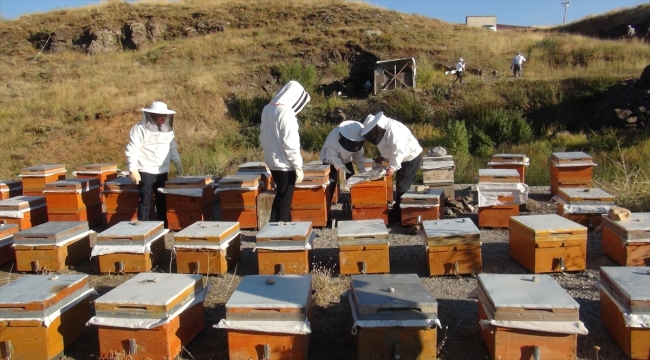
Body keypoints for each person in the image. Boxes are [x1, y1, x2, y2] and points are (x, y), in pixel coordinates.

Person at [260, 80, 310, 222]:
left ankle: (275, 230)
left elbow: (262, 136)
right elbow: (291, 143)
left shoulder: (267, 108)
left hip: (272, 163)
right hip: (285, 165)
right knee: (284, 202)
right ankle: (279, 233)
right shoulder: (285, 112)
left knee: (280, 197)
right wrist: (297, 166)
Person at [125, 101, 182, 224]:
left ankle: (163, 225)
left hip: (162, 170)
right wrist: (133, 169)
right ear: (152, 115)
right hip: (146, 170)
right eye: (160, 115)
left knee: (162, 198)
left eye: (165, 115)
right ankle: (143, 226)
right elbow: (132, 149)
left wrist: (177, 161)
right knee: (145, 199)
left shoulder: (167, 129)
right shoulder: (139, 130)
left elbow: (171, 146)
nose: (164, 117)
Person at [360, 111, 423, 224]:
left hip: (411, 157)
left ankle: (401, 214)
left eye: (372, 131)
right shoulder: (385, 130)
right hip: (404, 158)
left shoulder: (393, 130)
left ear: (377, 126)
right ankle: (397, 209)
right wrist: (383, 158)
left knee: (402, 186)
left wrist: (393, 166)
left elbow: (399, 151)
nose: (372, 134)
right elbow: (390, 149)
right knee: (399, 184)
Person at [320, 120, 366, 201]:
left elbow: (358, 156)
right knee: (332, 181)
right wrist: (338, 164)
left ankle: (355, 201)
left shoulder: (356, 142)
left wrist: (363, 171)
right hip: (329, 160)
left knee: (352, 178)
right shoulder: (333, 137)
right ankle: (327, 205)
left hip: (346, 159)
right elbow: (331, 156)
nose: (354, 144)